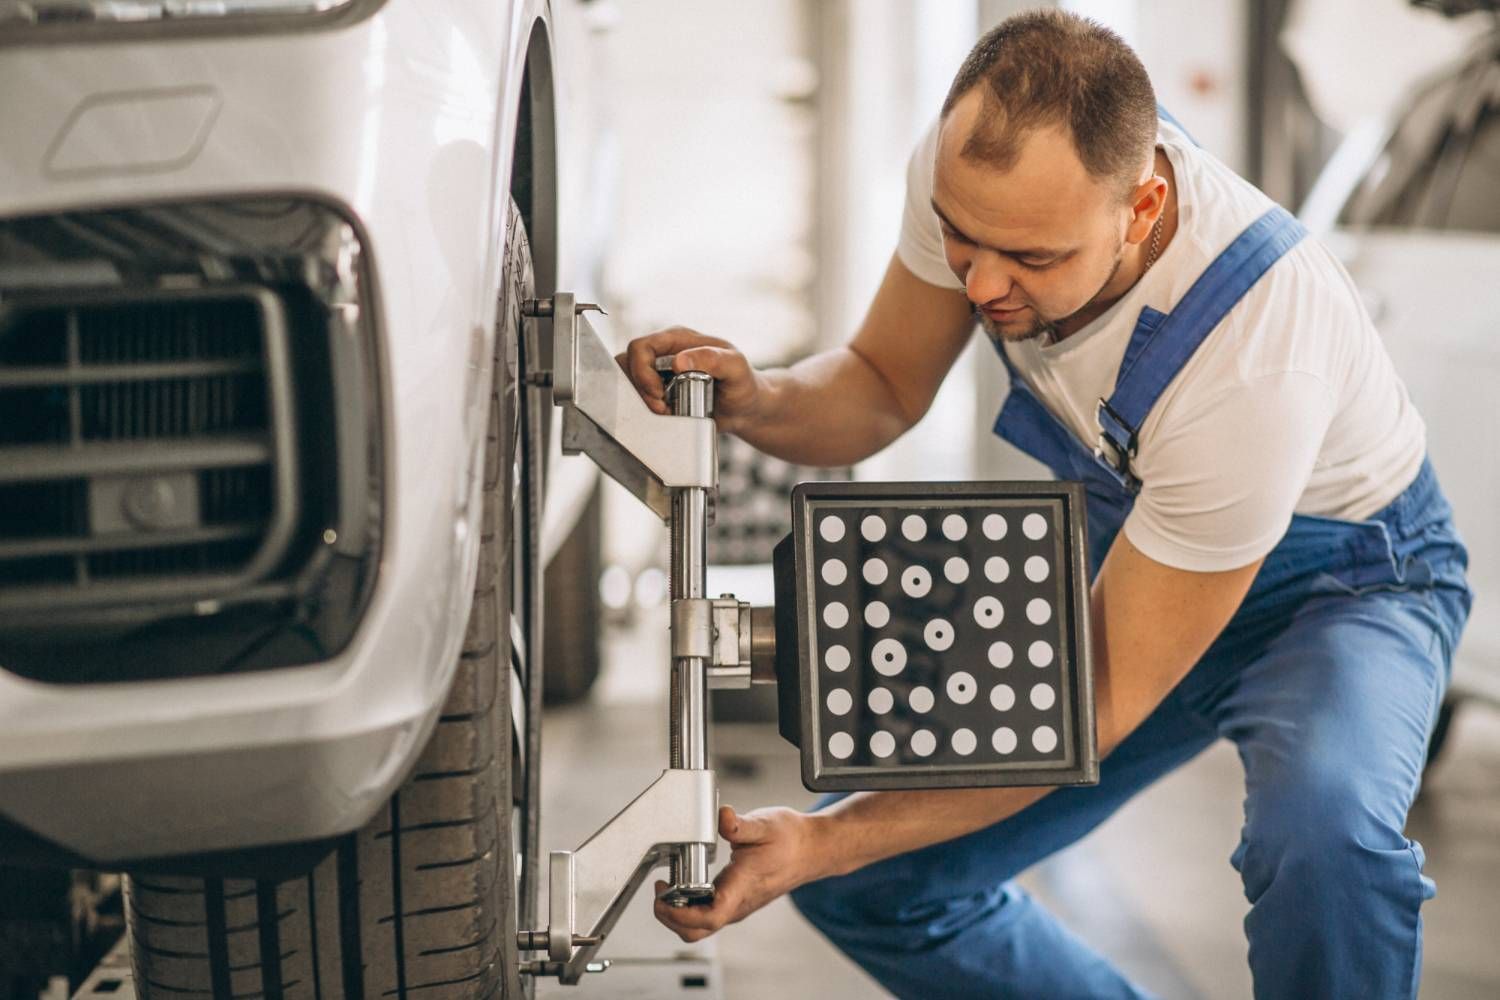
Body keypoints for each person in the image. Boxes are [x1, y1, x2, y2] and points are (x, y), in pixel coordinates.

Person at [620, 10, 1471, 998]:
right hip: (1144, 550)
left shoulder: (1253, 355)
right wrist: (757, 396)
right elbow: (882, 384)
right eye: (960, 238)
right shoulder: (978, 185)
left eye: (1029, 258)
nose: (980, 283)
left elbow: (1089, 707)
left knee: (1327, 836)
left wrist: (818, 834)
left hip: (1342, 587)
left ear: (1142, 206)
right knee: (873, 883)